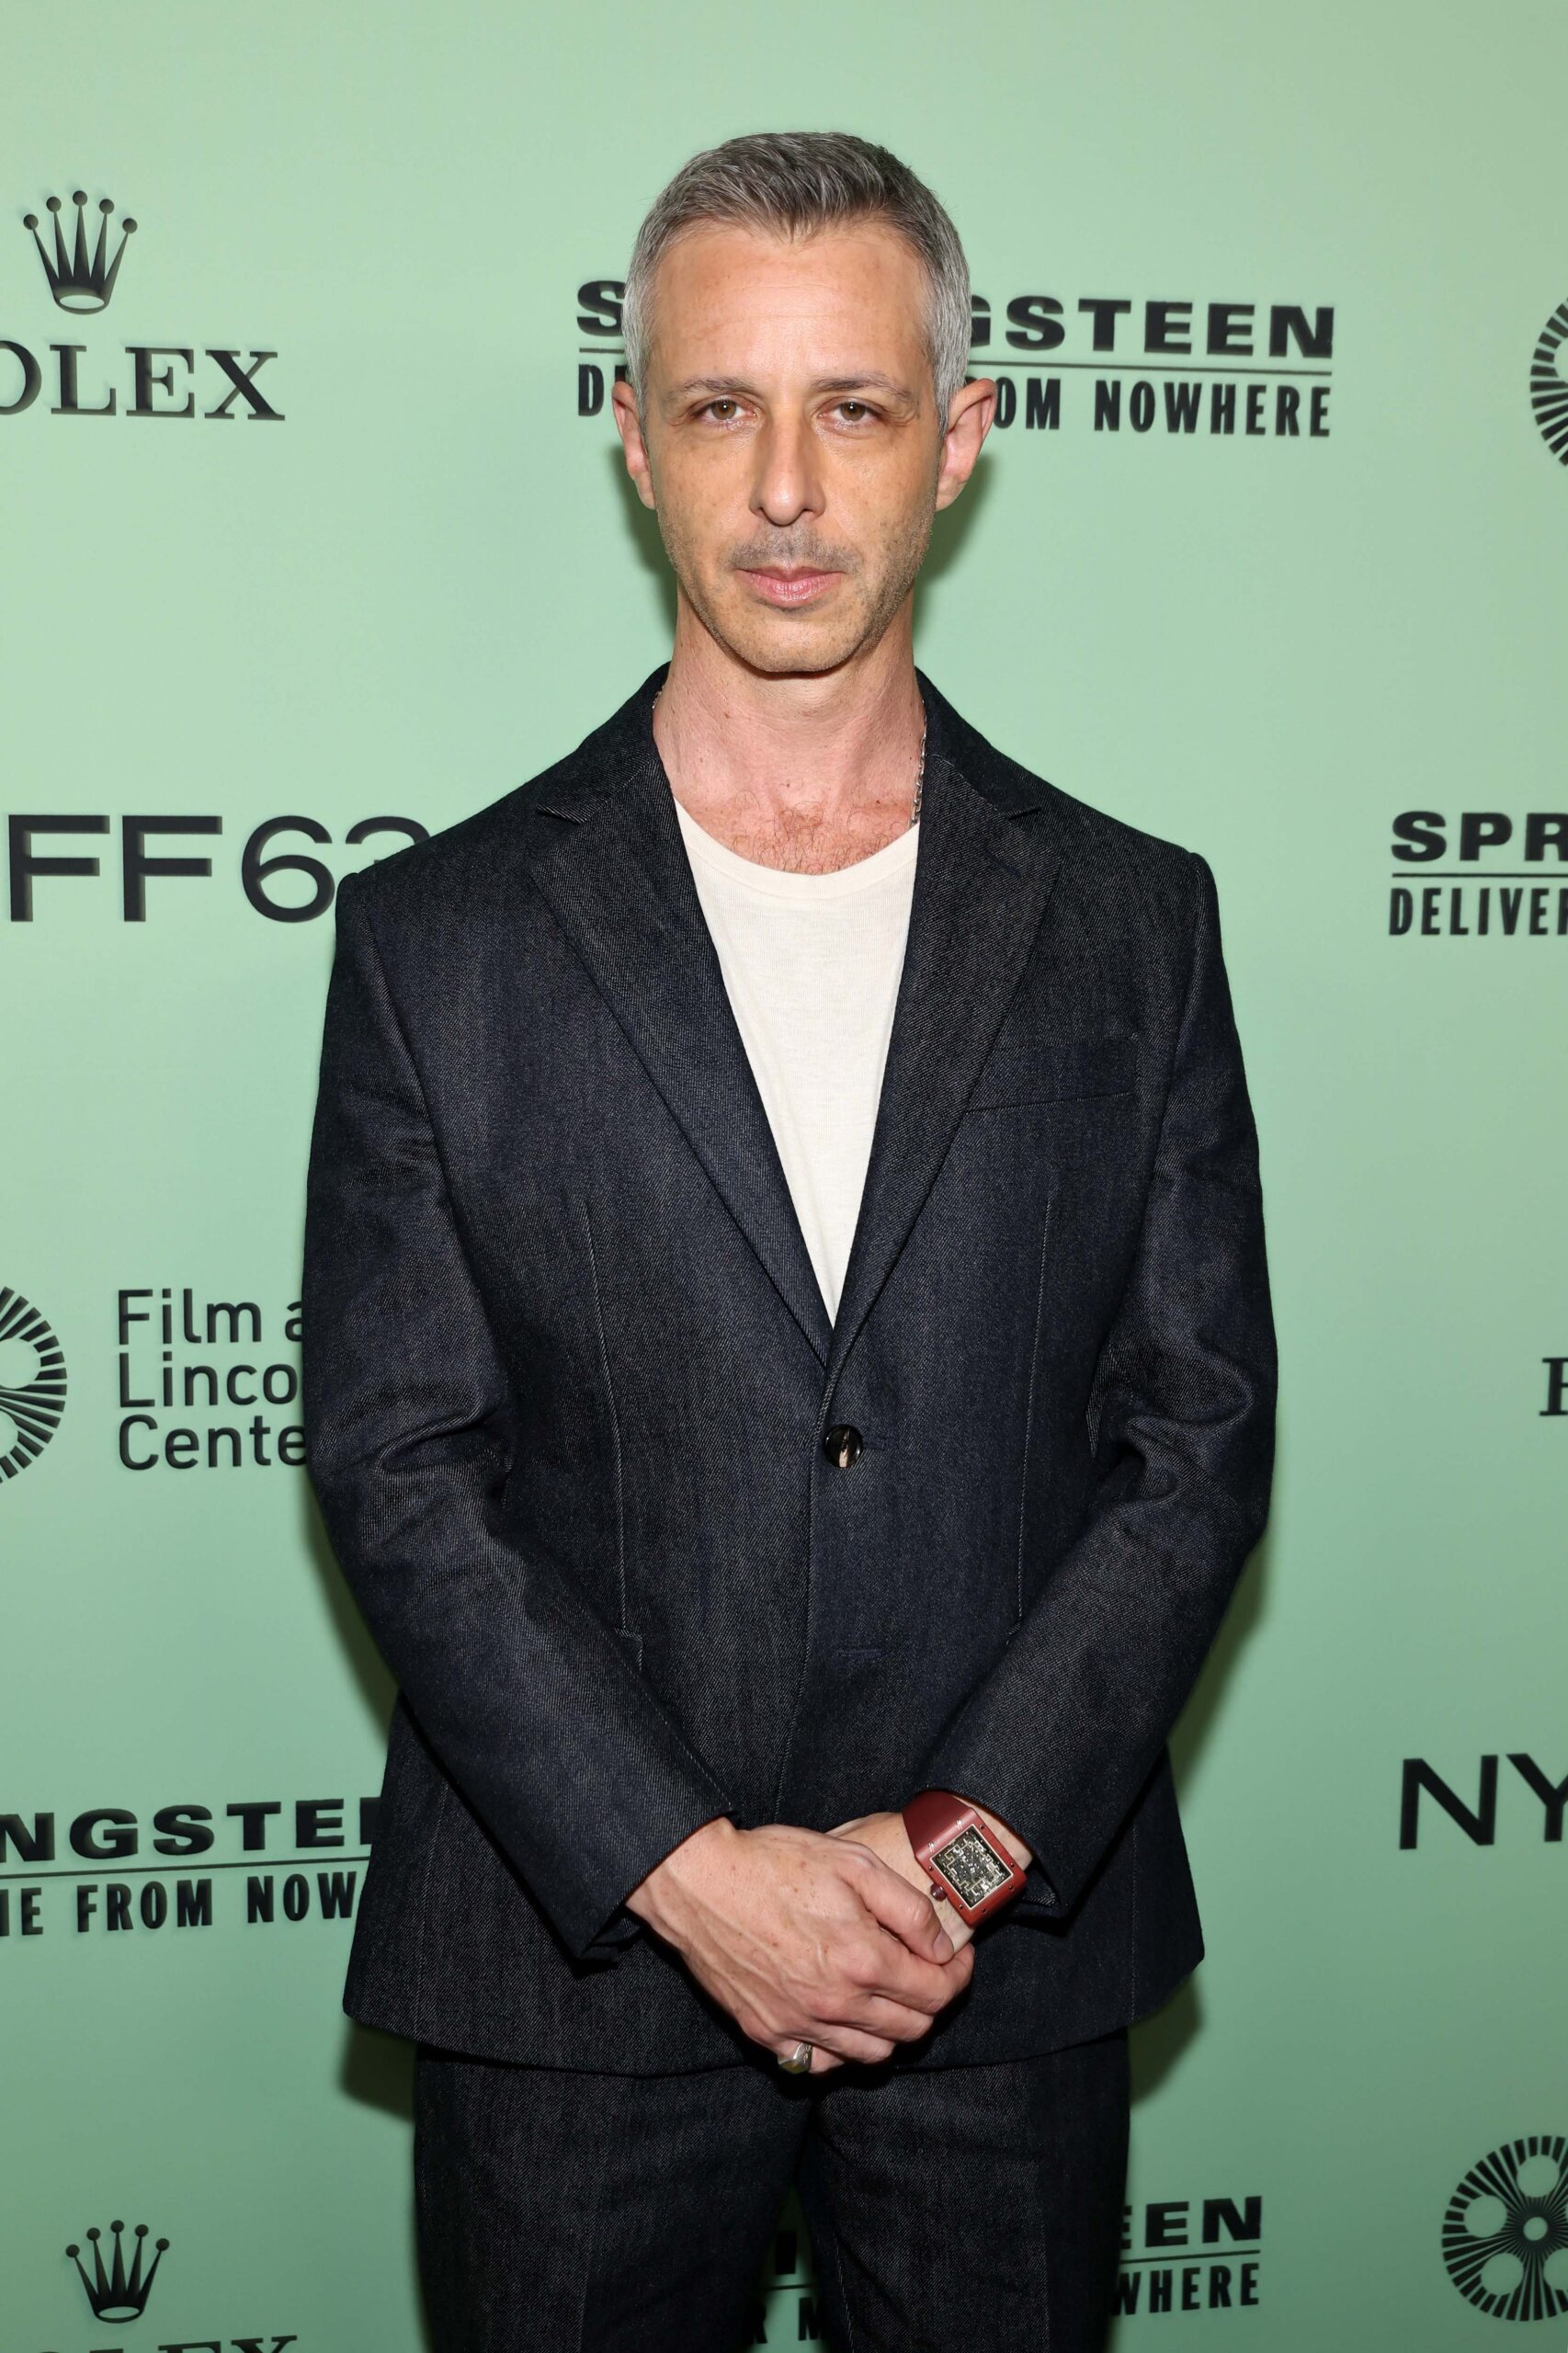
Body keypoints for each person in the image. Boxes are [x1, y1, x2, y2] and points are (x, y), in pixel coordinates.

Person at [301, 130, 1277, 2353]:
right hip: (569, 1968)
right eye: (721, 406)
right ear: (634, 437)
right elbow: (399, 1465)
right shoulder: (439, 936)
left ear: (959, 435)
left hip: (996, 1969)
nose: (782, 489)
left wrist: (948, 1860)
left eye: (851, 408)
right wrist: (693, 1873)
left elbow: (1195, 1442)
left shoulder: (1133, 922)